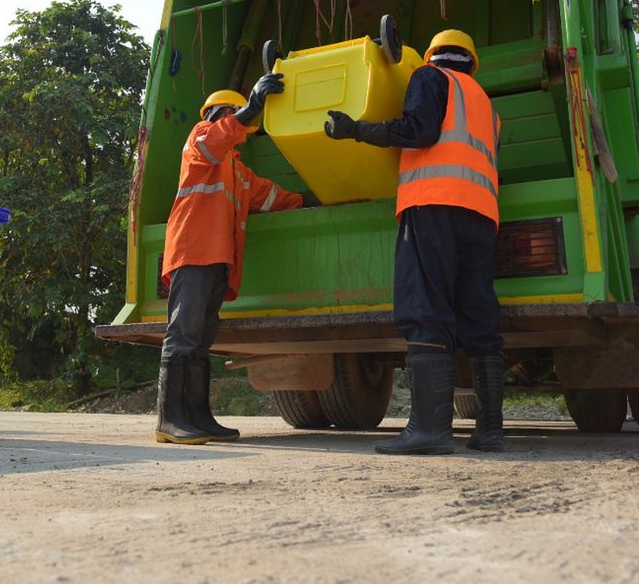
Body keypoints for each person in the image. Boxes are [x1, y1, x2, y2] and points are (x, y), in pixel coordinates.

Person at [324, 29, 505, 455]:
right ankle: (491, 430)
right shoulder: (485, 104)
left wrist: (357, 129)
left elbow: (419, 131)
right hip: (480, 213)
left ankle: (430, 429)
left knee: (424, 306)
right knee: (478, 314)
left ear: (434, 56)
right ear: (470, 59)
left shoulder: (429, 77)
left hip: (432, 204)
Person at [156, 73, 309, 445]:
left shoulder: (238, 171)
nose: (236, 120)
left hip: (216, 261)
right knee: (184, 335)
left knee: (201, 338)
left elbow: (270, 196)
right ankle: (169, 420)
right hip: (194, 252)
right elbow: (215, 141)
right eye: (230, 113)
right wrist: (249, 108)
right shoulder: (199, 139)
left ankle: (196, 416)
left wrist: (312, 200)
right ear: (215, 114)